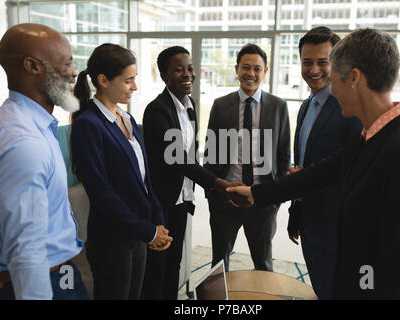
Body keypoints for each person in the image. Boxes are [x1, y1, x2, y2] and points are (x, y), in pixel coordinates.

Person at [227, 28, 400, 299]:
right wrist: (255, 193)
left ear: (353, 78)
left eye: (334, 76)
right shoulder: (371, 137)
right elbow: (319, 174)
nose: (330, 88)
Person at [0, 23, 89, 300]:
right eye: (67, 63)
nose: (73, 72)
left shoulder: (34, 126)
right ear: (32, 66)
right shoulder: (23, 142)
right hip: (37, 283)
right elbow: (26, 251)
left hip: (59, 273)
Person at [142, 46, 246, 300]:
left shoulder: (190, 104)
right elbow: (180, 160)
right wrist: (221, 184)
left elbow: (191, 153)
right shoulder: (157, 111)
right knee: (157, 269)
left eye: (189, 68)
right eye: (178, 69)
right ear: (164, 75)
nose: (187, 74)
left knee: (174, 264)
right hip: (161, 202)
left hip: (181, 201)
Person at [70, 43, 172, 300]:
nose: (134, 87)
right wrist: (148, 231)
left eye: (134, 79)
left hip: (137, 234)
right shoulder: (88, 125)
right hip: (111, 239)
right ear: (103, 80)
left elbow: (144, 180)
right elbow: (101, 193)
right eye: (128, 80)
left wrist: (156, 220)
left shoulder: (125, 118)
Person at [287, 26, 362, 299]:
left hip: (338, 231)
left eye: (323, 62)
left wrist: (305, 181)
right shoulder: (307, 107)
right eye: (307, 62)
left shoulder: (350, 110)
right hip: (310, 225)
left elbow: (356, 174)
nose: (313, 69)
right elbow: (303, 164)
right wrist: (296, 211)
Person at [204, 43, 291, 272]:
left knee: (263, 263)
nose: (251, 74)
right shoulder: (221, 105)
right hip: (226, 198)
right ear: (236, 69)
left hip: (263, 201)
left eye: (257, 68)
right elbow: (211, 151)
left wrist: (275, 198)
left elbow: (284, 155)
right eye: (245, 67)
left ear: (265, 71)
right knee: (219, 263)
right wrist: (213, 193)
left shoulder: (278, 106)